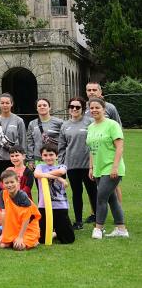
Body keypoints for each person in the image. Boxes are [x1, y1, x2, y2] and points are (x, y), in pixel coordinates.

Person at [86, 97, 128, 239]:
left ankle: (98, 229)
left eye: (97, 107)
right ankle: (121, 229)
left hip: (111, 168)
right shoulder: (91, 127)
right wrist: (91, 167)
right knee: (112, 199)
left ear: (104, 109)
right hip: (98, 168)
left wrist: (115, 167)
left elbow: (119, 148)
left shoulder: (112, 125)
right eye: (92, 108)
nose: (94, 110)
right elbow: (92, 149)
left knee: (101, 197)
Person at [59, 97, 96, 229]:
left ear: (82, 109)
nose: (74, 109)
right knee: (76, 193)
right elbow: (62, 147)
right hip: (72, 166)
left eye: (77, 107)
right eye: (71, 106)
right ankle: (78, 221)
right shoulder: (65, 125)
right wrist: (62, 165)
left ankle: (98, 218)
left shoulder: (90, 123)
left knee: (93, 192)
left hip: (88, 165)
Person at [34, 145, 75, 244]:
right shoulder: (40, 166)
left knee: (68, 240)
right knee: (42, 240)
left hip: (60, 205)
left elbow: (61, 172)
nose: (48, 157)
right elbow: (36, 174)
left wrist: (50, 175)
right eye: (45, 155)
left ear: (56, 156)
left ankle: (55, 232)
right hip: (44, 205)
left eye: (51, 155)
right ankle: (53, 232)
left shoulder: (61, 166)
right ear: (42, 156)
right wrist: (59, 178)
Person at [0, 93, 27, 197]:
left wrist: (23, 159)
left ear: (12, 104)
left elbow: (23, 140)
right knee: (1, 189)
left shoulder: (18, 121)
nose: (5, 105)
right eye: (2, 103)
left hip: (15, 161)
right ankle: (2, 210)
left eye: (7, 103)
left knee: (16, 188)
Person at [0, 169, 41, 250]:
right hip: (14, 226)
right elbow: (3, 215)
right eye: (6, 183)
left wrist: (20, 237)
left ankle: (34, 241)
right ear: (2, 184)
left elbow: (27, 218)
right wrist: (3, 234)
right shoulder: (2, 194)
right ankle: (13, 239)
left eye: (12, 182)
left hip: (28, 227)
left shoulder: (22, 196)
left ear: (18, 182)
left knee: (19, 247)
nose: (9, 185)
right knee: (1, 245)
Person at [27, 98, 63, 168]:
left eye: (44, 105)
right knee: (40, 179)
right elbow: (30, 143)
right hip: (38, 160)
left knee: (55, 178)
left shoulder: (59, 122)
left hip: (55, 159)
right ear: (36, 109)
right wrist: (30, 160)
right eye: (39, 106)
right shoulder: (32, 124)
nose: (42, 107)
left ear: (49, 107)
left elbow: (64, 141)